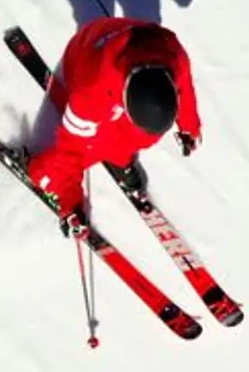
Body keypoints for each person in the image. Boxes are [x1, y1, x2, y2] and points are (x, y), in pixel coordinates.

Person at [24, 16, 202, 233]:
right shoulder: (92, 89)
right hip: (81, 54)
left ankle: (118, 154)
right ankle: (42, 171)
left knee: (139, 136)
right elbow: (72, 148)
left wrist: (189, 127)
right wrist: (69, 197)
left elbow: (185, 90)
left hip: (122, 44)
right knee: (96, 145)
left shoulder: (174, 58)